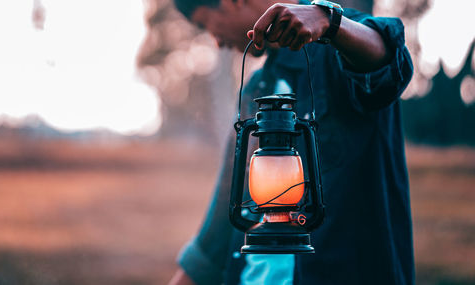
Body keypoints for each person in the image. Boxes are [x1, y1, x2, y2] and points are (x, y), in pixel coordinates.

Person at [167, 0, 415, 284]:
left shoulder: (338, 48)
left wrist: (330, 23)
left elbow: (390, 61)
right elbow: (217, 235)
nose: (217, 42)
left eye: (205, 24)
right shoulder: (255, 90)